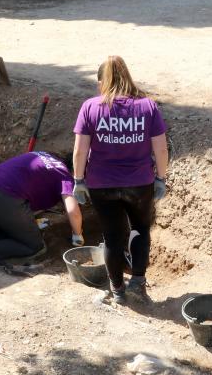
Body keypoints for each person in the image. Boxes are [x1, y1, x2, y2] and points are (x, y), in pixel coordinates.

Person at [72, 56, 169, 304]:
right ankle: (138, 282)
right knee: (140, 229)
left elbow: (80, 151)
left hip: (101, 184)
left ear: (102, 81)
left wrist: (78, 180)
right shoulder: (148, 107)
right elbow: (161, 149)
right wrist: (161, 178)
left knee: (113, 237)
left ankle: (118, 292)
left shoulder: (90, 107)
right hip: (139, 184)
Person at [0, 151, 83, 269]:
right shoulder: (64, 176)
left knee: (12, 231)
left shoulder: (46, 155)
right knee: (34, 246)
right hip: (2, 197)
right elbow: (73, 212)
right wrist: (78, 236)